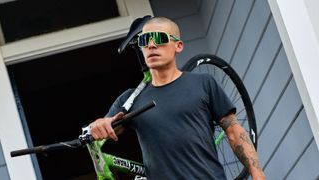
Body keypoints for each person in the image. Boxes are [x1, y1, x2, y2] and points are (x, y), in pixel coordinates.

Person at [89, 16, 265, 180]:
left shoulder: (204, 83)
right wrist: (98, 126)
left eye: (159, 38)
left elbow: (234, 131)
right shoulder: (129, 99)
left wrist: (258, 175)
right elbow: (102, 127)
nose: (151, 45)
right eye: (144, 41)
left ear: (178, 46)